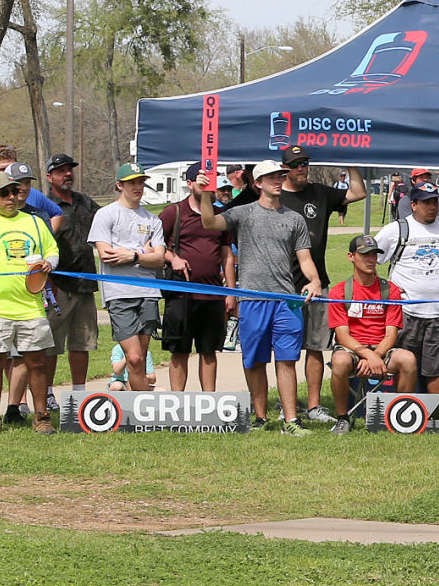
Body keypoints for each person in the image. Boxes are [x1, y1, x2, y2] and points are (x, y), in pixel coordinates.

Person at [203, 161, 322, 433]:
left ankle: (291, 420)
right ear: (257, 183)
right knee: (255, 360)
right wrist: (207, 193)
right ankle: (260, 417)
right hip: (252, 299)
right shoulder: (242, 213)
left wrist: (314, 280)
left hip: (285, 300)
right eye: (271, 178)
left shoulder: (294, 219)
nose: (278, 181)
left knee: (287, 359)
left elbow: (305, 258)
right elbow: (210, 222)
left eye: (280, 176)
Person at [278, 146, 367, 422]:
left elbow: (358, 193)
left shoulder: (320, 192)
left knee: (315, 346)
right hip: (283, 285)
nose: (301, 168)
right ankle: (287, 406)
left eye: (304, 163)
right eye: (295, 165)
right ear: (285, 169)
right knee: (286, 349)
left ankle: (314, 406)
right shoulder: (275, 196)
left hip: (318, 283)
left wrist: (351, 163)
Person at [0, 170, 58, 432]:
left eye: (15, 191)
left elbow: (52, 250)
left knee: (37, 362)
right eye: (4, 193)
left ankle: (42, 418)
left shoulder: (34, 223)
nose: (11, 197)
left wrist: (48, 263)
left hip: (30, 307)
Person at [371, 180, 439, 394]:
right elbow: (368, 258)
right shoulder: (396, 229)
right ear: (413, 204)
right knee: (402, 365)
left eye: (434, 201)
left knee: (438, 370)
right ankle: (400, 413)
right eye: (426, 202)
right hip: (405, 313)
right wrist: (385, 290)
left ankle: (434, 418)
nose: (432, 206)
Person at [87, 163, 168, 393]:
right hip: (119, 293)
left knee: (140, 358)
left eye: (141, 182)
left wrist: (132, 255)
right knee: (132, 358)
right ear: (119, 185)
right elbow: (106, 255)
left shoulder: (153, 220)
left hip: (148, 292)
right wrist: (145, 254)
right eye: (132, 182)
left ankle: (139, 412)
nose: (138, 187)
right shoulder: (106, 214)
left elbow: (160, 259)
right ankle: (141, 407)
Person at [325, 234, 412, 434]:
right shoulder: (339, 292)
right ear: (351, 257)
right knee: (339, 362)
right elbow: (343, 336)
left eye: (374, 254)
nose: (371, 260)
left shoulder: (390, 290)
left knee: (407, 359)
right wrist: (368, 355)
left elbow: (391, 334)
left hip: (382, 348)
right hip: (352, 349)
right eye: (365, 255)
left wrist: (376, 355)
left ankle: (400, 416)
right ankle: (342, 418)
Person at [158, 160, 232, 392]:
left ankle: (208, 401)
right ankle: (177, 401)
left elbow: (227, 254)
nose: (207, 185)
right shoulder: (175, 212)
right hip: (181, 294)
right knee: (179, 350)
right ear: (190, 184)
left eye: (210, 181)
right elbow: (155, 245)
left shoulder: (221, 216)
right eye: (201, 181)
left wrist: (230, 292)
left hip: (213, 294)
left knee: (208, 351)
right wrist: (173, 258)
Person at [42, 154, 98, 404]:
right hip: (56, 286)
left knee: (82, 343)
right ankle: (48, 393)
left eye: (70, 170)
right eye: (61, 170)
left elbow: (107, 223)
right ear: (49, 176)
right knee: (51, 344)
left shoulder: (85, 202)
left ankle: (78, 394)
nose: (67, 174)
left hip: (85, 284)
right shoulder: (44, 205)